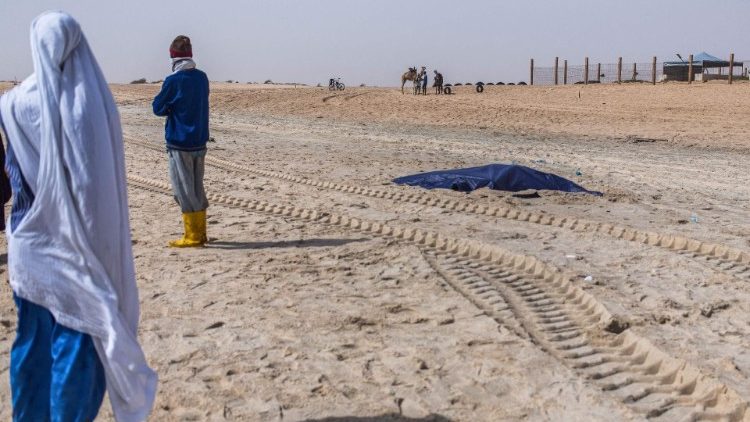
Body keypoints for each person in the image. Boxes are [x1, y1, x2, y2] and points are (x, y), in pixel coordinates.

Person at [0, 11, 157, 421]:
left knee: (31, 344)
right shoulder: (90, 105)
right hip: (71, 249)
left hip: (26, 247)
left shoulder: (12, 105)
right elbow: (96, 188)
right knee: (76, 343)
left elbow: (15, 177)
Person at [152, 35, 210, 247]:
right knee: (196, 187)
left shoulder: (173, 81)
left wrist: (170, 107)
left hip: (180, 142)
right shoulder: (202, 77)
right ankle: (201, 233)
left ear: (173, 57)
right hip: (200, 140)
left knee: (183, 189)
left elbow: (158, 108)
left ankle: (193, 236)